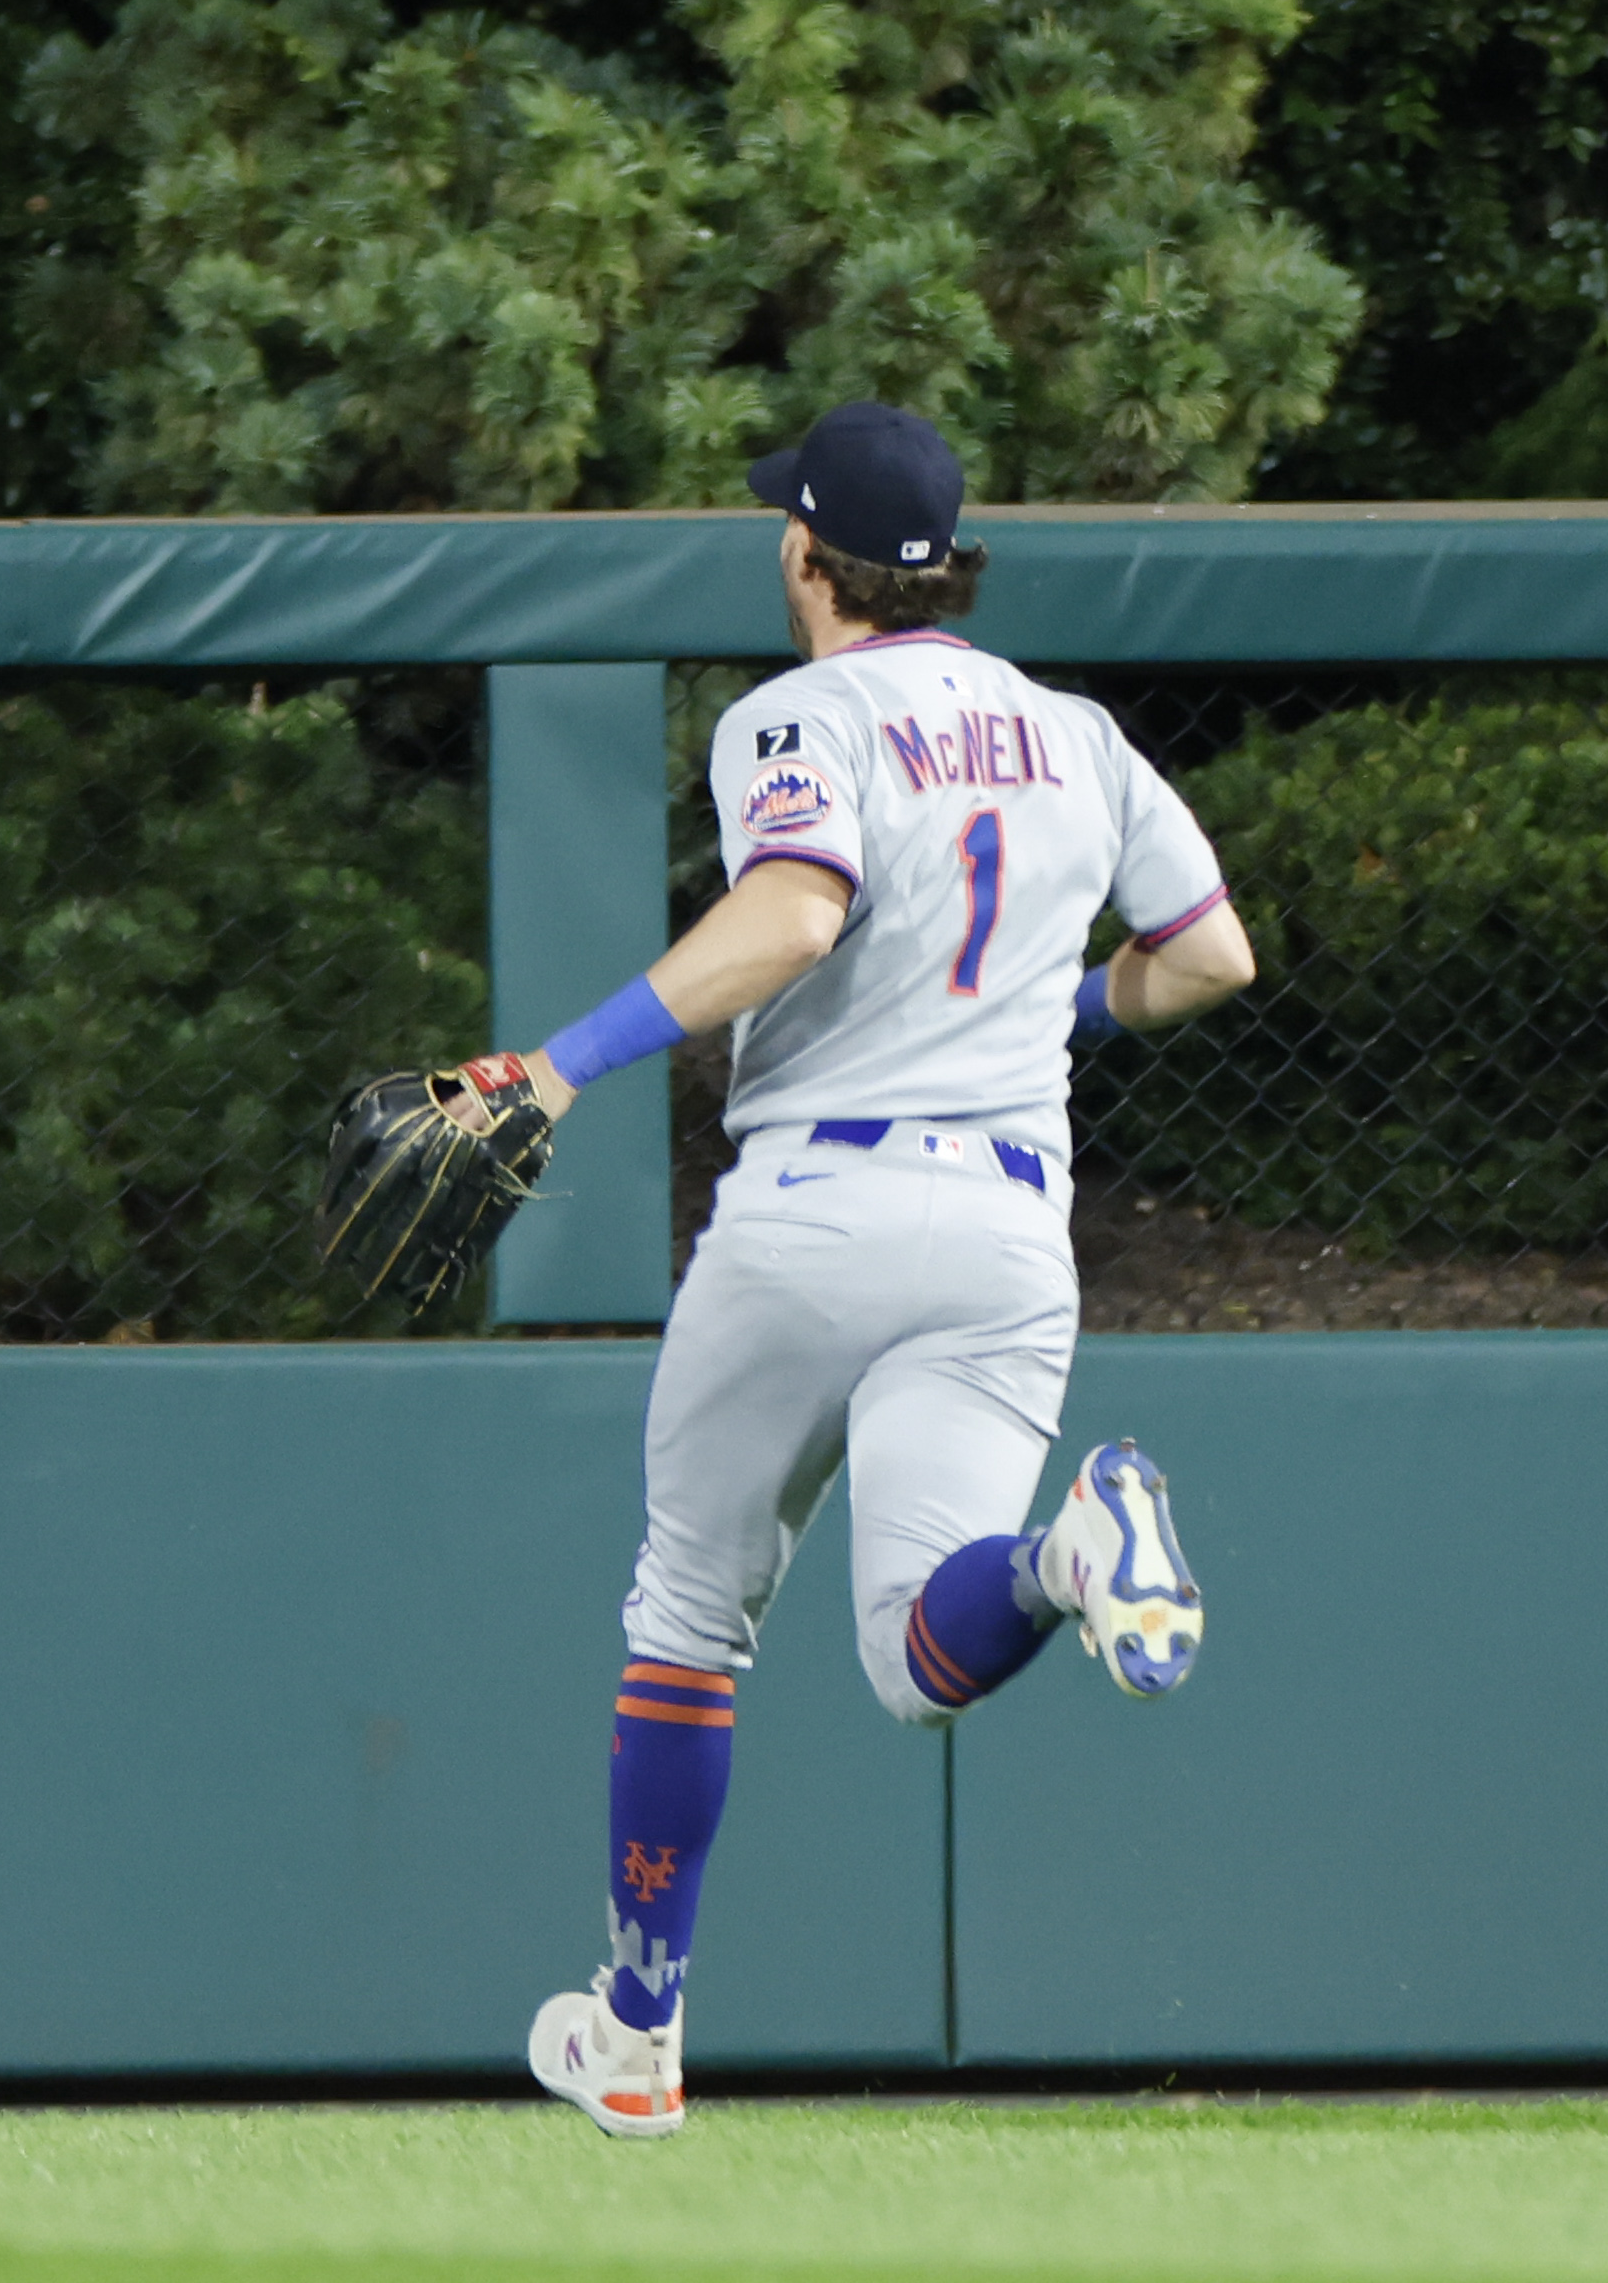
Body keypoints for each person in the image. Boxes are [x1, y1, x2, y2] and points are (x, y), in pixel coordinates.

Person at [462, 399, 1259, 2138]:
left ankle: (645, 2036)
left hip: (816, 1217)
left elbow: (801, 911)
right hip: (1005, 1233)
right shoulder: (1076, 733)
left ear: (805, 556)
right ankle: (1067, 1556)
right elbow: (1209, 955)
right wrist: (1046, 1004)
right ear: (949, 565)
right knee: (918, 1662)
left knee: (687, 1623)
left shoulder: (795, 716)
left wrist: (558, 1063)